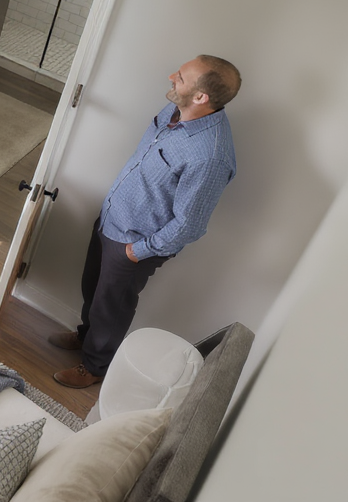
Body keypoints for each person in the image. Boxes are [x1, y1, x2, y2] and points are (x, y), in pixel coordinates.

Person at [50, 55, 241, 389]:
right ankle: (85, 336)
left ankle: (95, 367)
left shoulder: (210, 156)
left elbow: (190, 224)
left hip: (133, 243)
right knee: (92, 289)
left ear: (201, 98)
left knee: (112, 306)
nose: (170, 77)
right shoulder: (174, 111)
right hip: (111, 219)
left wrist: (137, 252)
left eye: (180, 77)